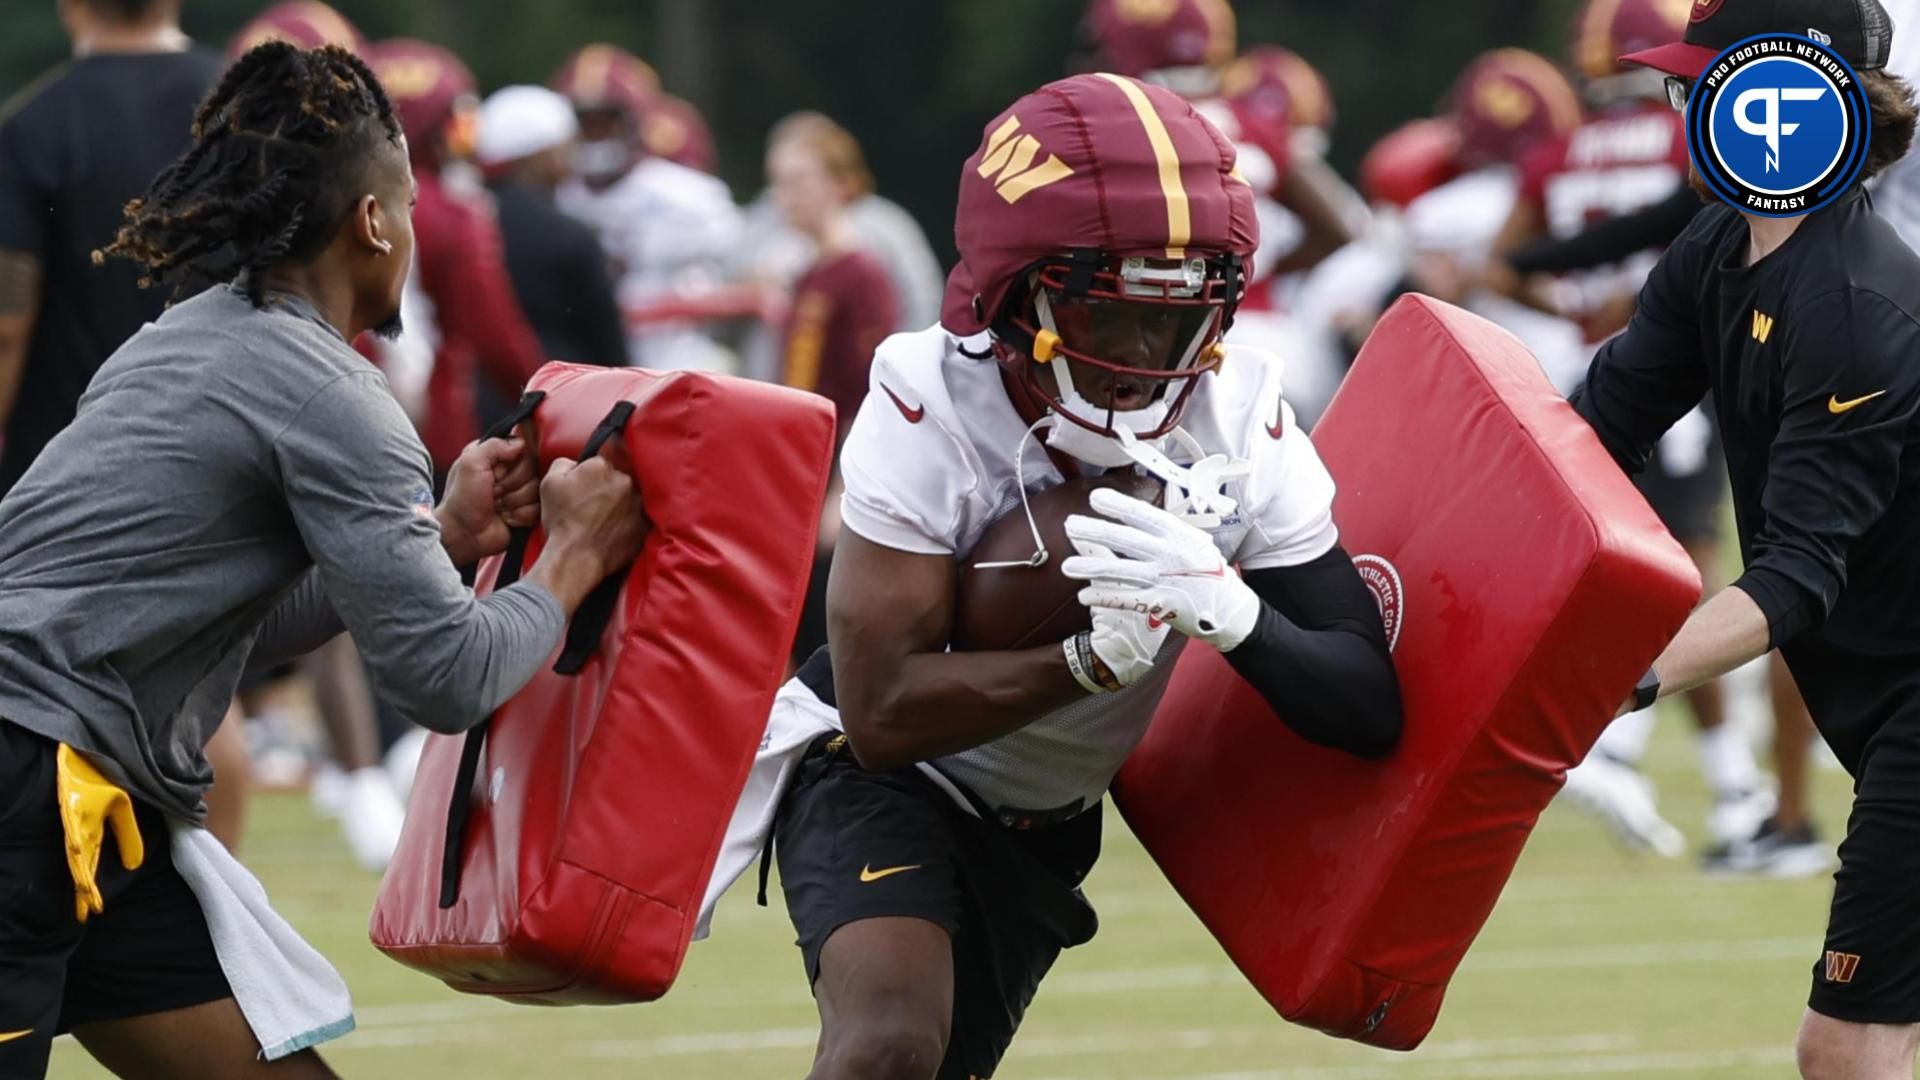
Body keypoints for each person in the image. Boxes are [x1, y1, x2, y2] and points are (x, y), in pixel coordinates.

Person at [0, 43, 648, 1078]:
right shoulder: (336, 396)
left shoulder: (176, 336)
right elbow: (446, 677)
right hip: (31, 784)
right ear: (376, 222)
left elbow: (220, 623)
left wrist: (435, 539)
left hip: (81, 794)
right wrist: (570, 558)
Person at [771, 73, 1402, 1080]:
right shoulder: (928, 393)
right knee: (885, 1050)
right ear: (1020, 297)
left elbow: (1366, 701)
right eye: (1112, 319)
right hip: (881, 777)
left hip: (1048, 820)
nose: (1149, 361)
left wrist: (1235, 615)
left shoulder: (1237, 406)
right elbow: (882, 713)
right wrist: (1088, 664)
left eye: (1183, 317)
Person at [1577, 2, 1920, 1074]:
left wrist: (1606, 687)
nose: (1680, 111)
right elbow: (1592, 442)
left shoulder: (1861, 308)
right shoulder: (1720, 244)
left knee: (1849, 1047)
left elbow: (1793, 579)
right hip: (1875, 699)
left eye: (1698, 86)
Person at [0, 0, 222, 498]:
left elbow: (5, 326)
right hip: (229, 472)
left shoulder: (31, 128)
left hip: (69, 483)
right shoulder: (249, 114)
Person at [369, 38, 549, 476]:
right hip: (421, 422)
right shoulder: (452, 211)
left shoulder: (317, 197)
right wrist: (544, 398)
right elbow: (492, 333)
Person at [763, 112, 902, 668]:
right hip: (799, 469)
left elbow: (874, 387)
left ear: (840, 184)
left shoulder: (861, 275)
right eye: (779, 181)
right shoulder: (805, 275)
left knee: (821, 630)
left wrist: (846, 486)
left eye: (798, 181)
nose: (785, 196)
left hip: (834, 472)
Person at [551, 43, 748, 373]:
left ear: (633, 121)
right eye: (585, 121)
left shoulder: (687, 196)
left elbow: (738, 276)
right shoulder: (556, 197)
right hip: (585, 363)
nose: (596, 134)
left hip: (675, 362)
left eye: (607, 120)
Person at [475, 84, 628, 370]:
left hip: (481, 396)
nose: (573, 152)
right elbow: (608, 345)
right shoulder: (568, 235)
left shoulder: (467, 219)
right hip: (564, 395)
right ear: (538, 152)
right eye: (566, 143)